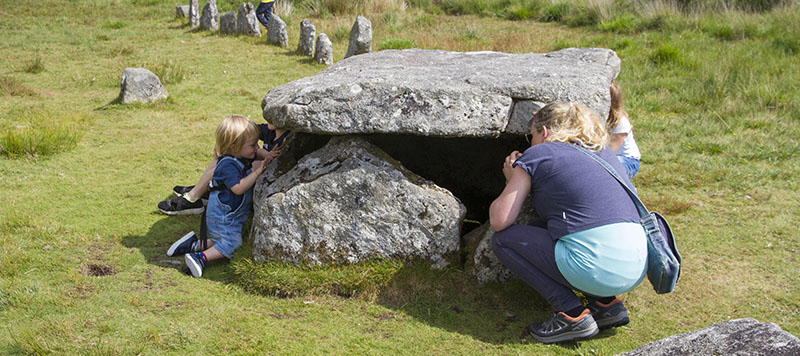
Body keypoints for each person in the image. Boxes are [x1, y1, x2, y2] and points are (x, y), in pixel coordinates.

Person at [489, 102, 647, 344]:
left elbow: (500, 220)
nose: (530, 142)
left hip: (595, 267)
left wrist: (512, 177)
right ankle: (607, 305)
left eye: (530, 135)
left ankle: (571, 314)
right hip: (636, 266)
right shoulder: (604, 152)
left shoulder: (538, 154)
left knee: (504, 240)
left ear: (543, 132)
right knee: (544, 228)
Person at [166, 115, 266, 278]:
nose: (257, 148)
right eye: (253, 145)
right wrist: (257, 172)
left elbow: (257, 154)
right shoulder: (227, 165)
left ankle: (193, 244)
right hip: (222, 216)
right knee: (233, 245)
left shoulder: (240, 156)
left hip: (228, 216)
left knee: (225, 238)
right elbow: (238, 188)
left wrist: (268, 155)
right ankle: (199, 257)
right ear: (234, 147)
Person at [158, 120, 290, 215]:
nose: (268, 118)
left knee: (221, 166)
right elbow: (242, 130)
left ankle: (193, 198)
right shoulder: (269, 129)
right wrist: (224, 143)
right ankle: (200, 190)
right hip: (254, 167)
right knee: (220, 158)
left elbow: (261, 154)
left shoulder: (289, 138)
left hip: (259, 174)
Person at [607, 80, 641, 179]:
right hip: (611, 158)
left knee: (608, 169)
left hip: (628, 160)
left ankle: (627, 189)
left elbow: (610, 151)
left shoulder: (621, 123)